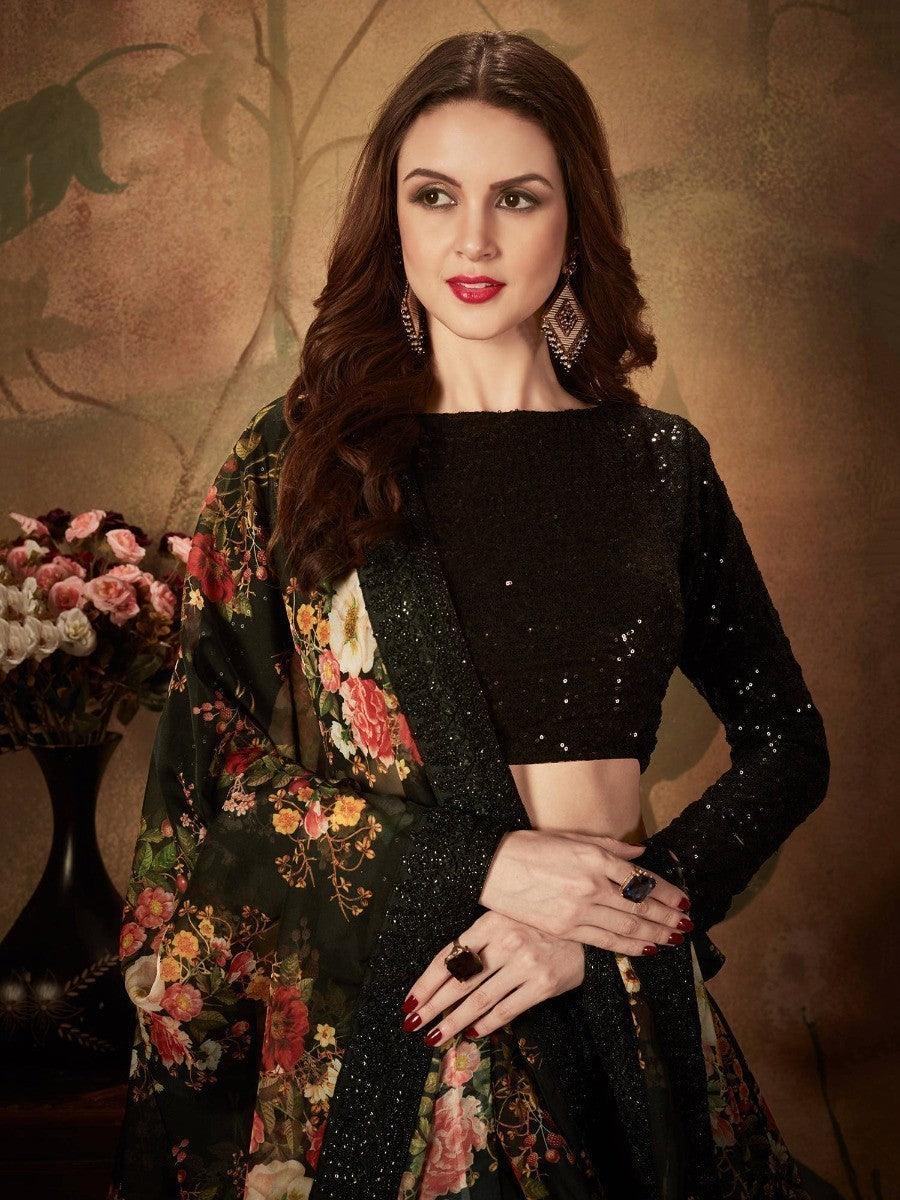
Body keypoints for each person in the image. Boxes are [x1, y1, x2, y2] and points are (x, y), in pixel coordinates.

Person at [108, 30, 830, 1200]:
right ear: (391, 217)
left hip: (628, 1013)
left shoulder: (659, 465)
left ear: (575, 221)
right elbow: (211, 772)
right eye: (435, 196)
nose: (473, 240)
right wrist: (484, 863)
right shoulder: (302, 463)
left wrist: (602, 916)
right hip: (411, 1022)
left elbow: (789, 742)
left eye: (518, 198)